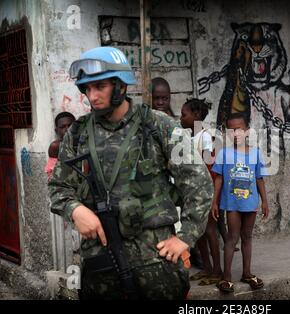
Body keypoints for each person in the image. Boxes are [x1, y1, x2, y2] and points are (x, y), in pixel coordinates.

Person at [48, 46, 213, 300]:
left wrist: (185, 237)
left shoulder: (159, 125)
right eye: (87, 89)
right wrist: (75, 210)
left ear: (121, 86)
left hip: (156, 263)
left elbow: (199, 184)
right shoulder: (78, 134)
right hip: (101, 263)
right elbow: (58, 187)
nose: (92, 96)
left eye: (99, 86)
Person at [211, 113, 269, 293]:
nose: (235, 134)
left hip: (250, 202)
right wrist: (214, 202)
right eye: (230, 130)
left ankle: (247, 273)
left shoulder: (255, 153)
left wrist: (265, 201)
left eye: (239, 129)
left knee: (247, 237)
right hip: (232, 204)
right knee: (231, 238)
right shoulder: (224, 153)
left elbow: (259, 179)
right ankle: (226, 277)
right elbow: (219, 179)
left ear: (247, 131)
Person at [180, 98, 223, 285]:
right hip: (193, 192)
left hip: (206, 191)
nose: (181, 118)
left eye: (184, 115)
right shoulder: (189, 137)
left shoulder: (205, 137)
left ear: (196, 115)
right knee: (200, 233)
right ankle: (206, 267)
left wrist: (213, 196)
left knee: (210, 231)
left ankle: (217, 271)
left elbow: (209, 165)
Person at [45, 112, 75, 180]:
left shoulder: (83, 142)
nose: (67, 129)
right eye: (62, 127)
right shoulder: (55, 147)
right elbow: (52, 175)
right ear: (56, 130)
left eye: (70, 125)